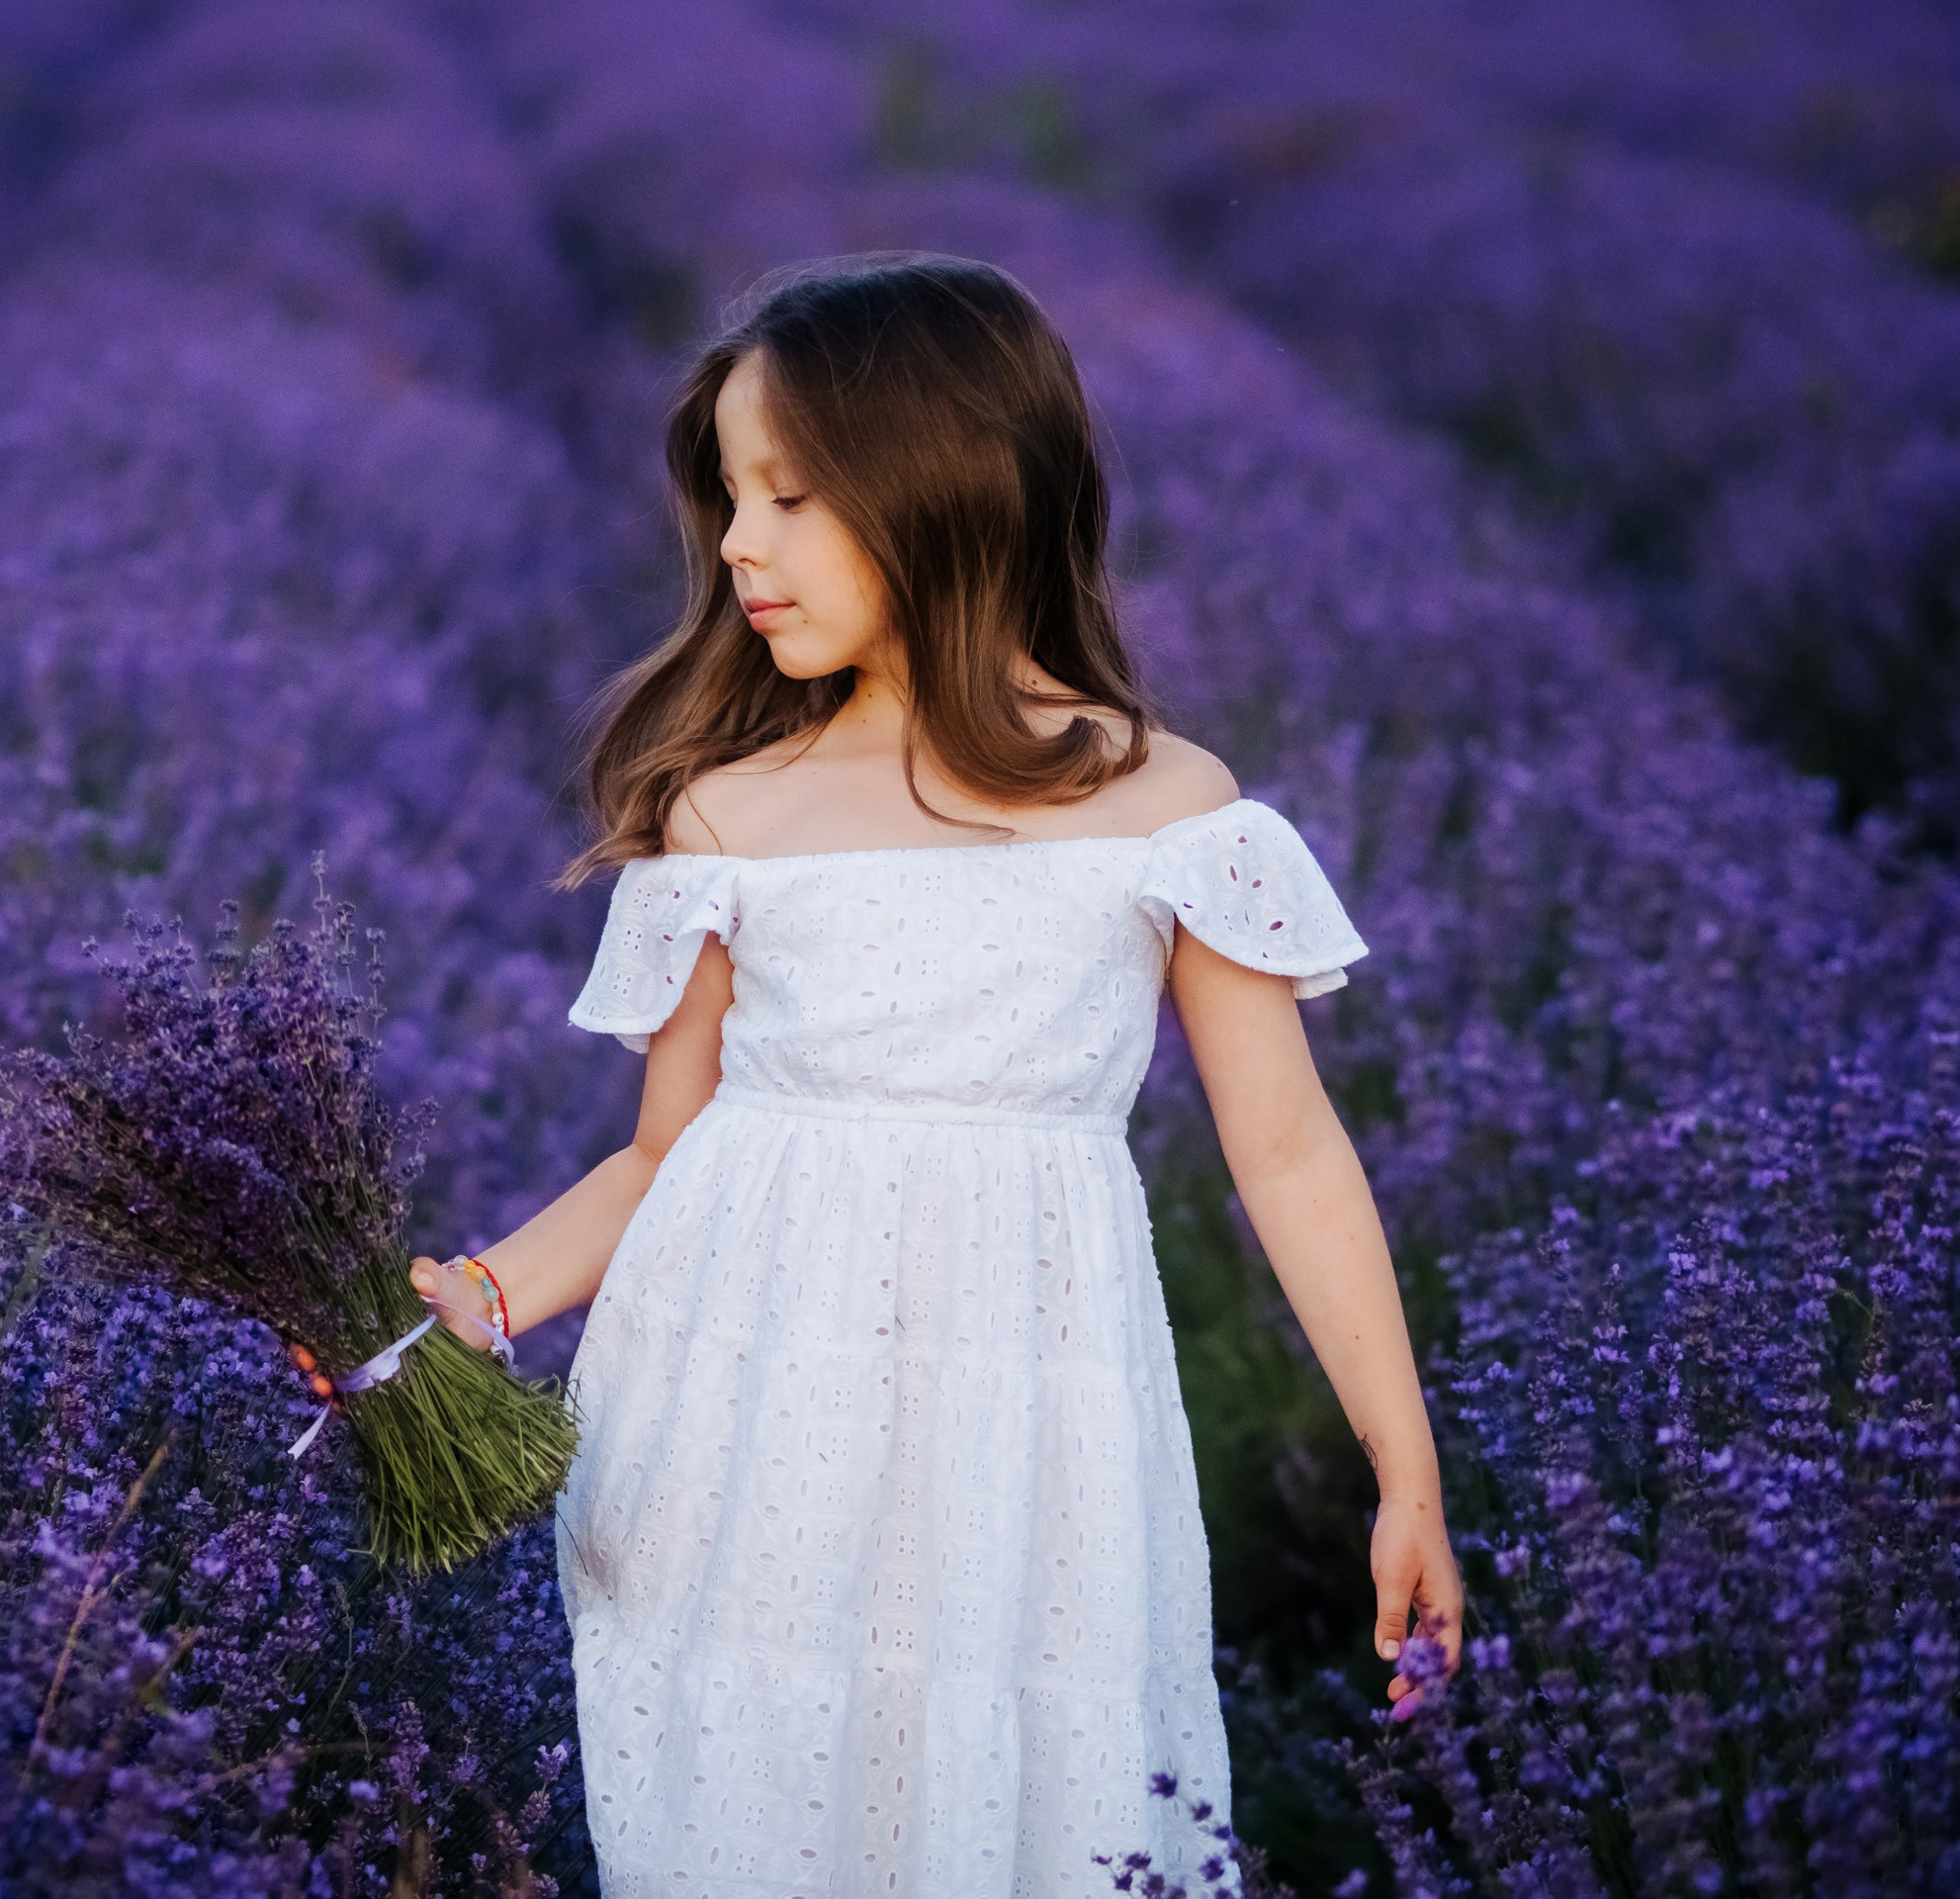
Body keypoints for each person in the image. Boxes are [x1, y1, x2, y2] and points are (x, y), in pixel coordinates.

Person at [409, 252, 1462, 1895]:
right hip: (735, 1420)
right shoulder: (727, 811)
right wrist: (472, 1295)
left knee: (1031, 1797)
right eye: (728, 500)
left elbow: (1293, 1156)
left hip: (1029, 1435)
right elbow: (661, 1159)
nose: (738, 545)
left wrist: (1406, 1468)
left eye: (790, 496)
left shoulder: (1171, 806)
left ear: (946, 488)